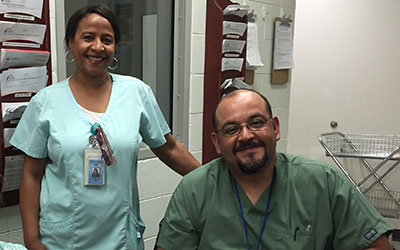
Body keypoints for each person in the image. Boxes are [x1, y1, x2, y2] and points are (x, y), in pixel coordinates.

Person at [10, 5, 199, 250]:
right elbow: (31, 175)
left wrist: (213, 179)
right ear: (71, 43)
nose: (97, 47)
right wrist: (32, 239)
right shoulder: (45, 102)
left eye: (106, 40)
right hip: (62, 239)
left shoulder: (136, 93)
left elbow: (170, 148)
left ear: (114, 47)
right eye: (88, 37)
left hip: (120, 236)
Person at [155, 89, 393, 250]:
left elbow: (375, 245)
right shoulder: (194, 190)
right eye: (231, 129)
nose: (246, 136)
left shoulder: (322, 182)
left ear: (275, 128)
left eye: (256, 123)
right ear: (217, 143)